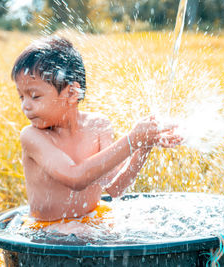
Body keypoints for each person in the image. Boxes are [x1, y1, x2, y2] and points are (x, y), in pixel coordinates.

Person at [11, 36, 182, 233]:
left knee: (151, 226)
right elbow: (75, 178)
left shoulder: (98, 126)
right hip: (46, 228)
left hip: (93, 218)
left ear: (71, 93)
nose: (25, 105)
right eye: (21, 96)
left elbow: (115, 187)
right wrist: (131, 140)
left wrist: (144, 144)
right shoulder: (33, 137)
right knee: (81, 232)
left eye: (34, 96)